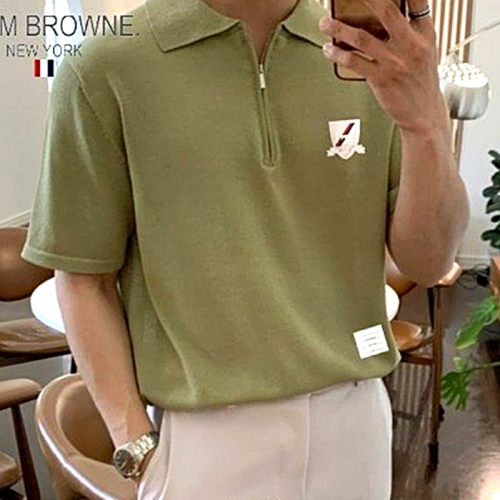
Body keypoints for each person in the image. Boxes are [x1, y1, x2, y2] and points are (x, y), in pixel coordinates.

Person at [21, 0, 469, 498]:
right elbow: (85, 279)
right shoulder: (107, 67)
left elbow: (428, 263)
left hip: (356, 422)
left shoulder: (365, 57)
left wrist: (426, 123)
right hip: (204, 440)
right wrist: (137, 444)